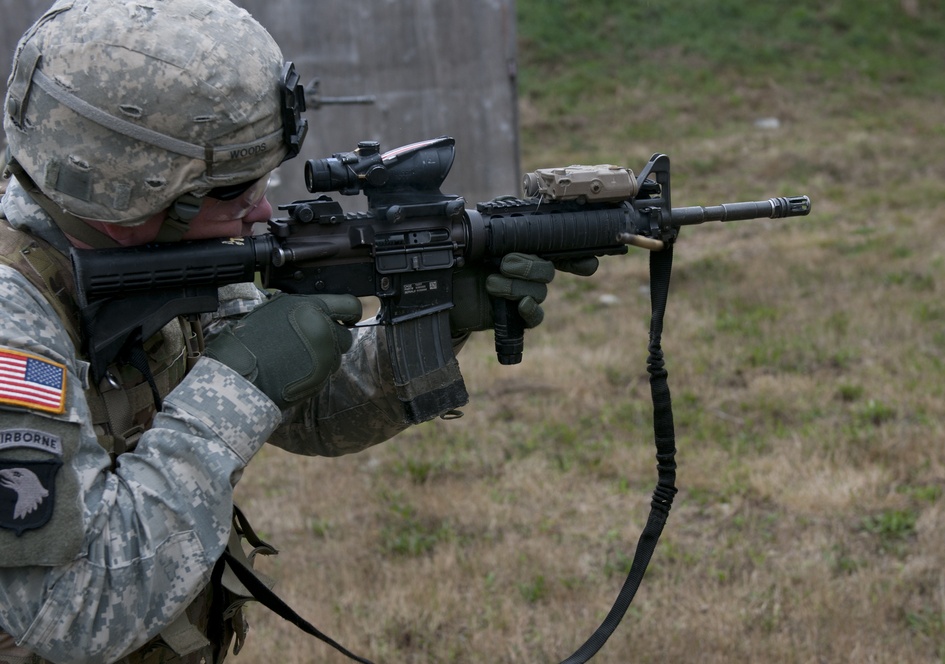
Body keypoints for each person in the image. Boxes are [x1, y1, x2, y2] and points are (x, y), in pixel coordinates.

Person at [0, 1, 596, 662]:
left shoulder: (152, 257)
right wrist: (234, 387)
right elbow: (72, 612)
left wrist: (427, 324)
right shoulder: (11, 323)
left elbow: (305, 413)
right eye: (234, 191)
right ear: (126, 197)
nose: (260, 209)